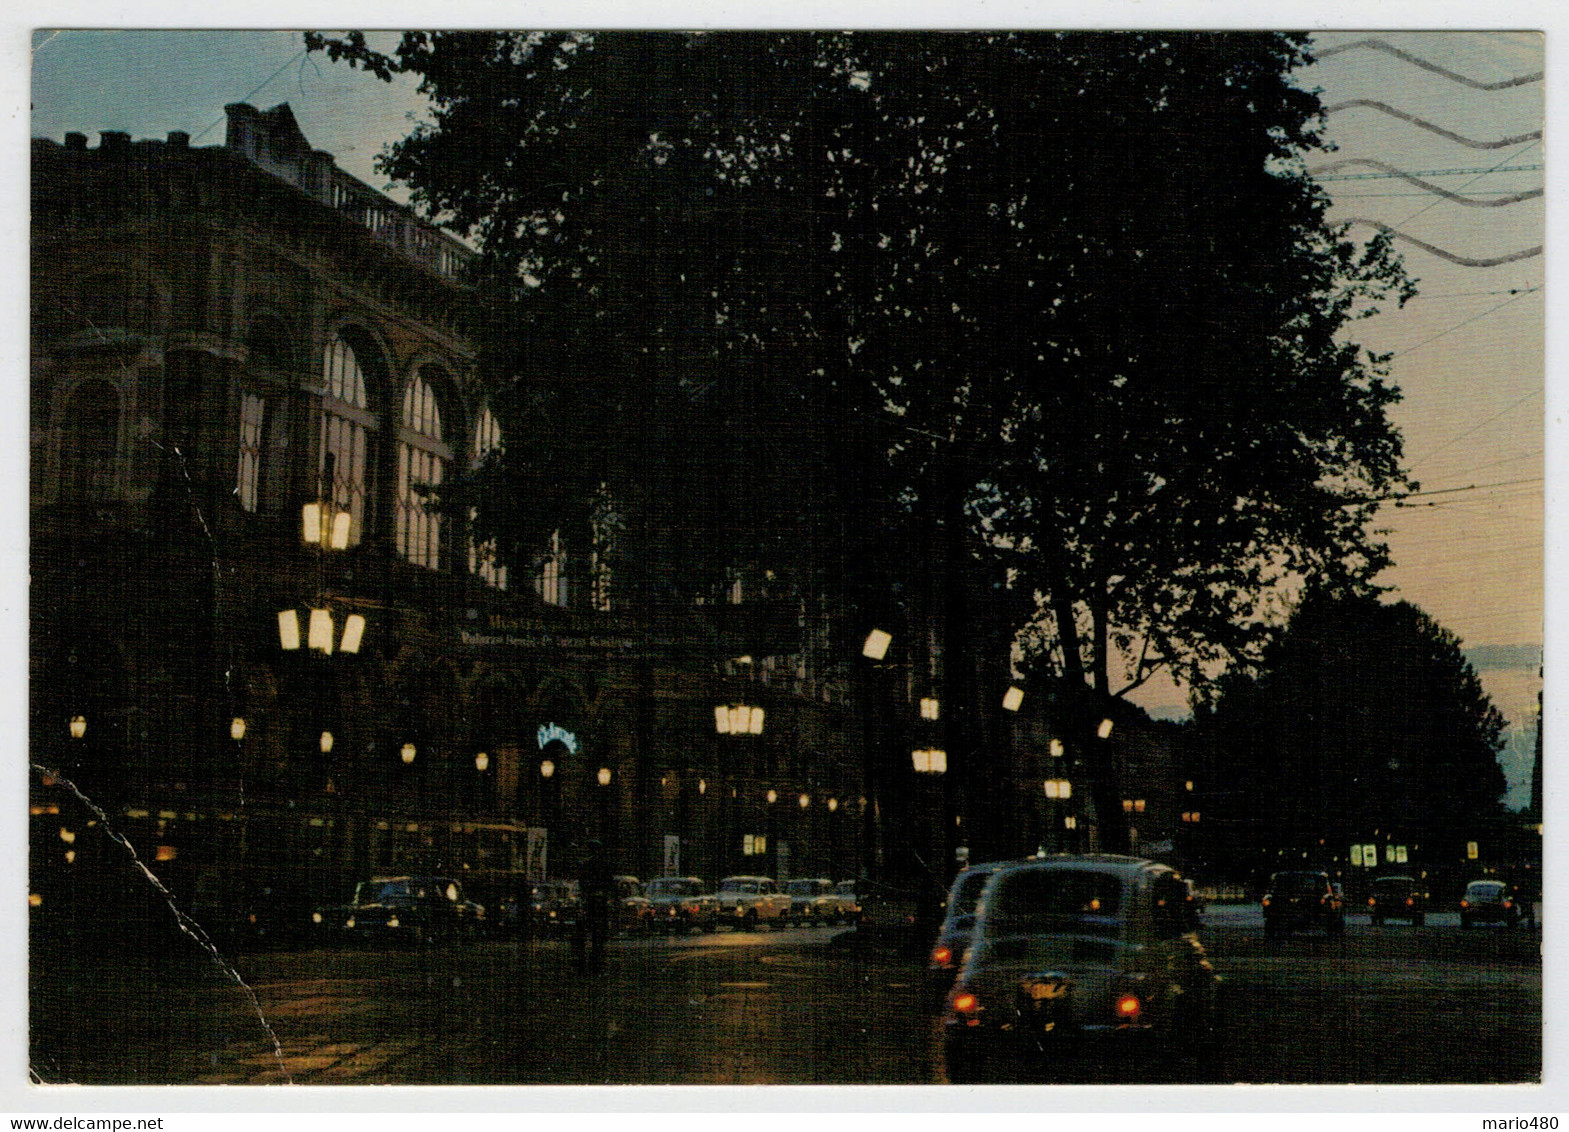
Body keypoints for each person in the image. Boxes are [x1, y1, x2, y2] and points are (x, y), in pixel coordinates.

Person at [574, 840, 614, 974]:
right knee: (599, 935)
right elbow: (609, 883)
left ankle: (582, 964)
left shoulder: (584, 864)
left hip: (587, 900)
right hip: (599, 901)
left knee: (583, 933)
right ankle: (596, 964)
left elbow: (581, 882)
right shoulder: (603, 864)